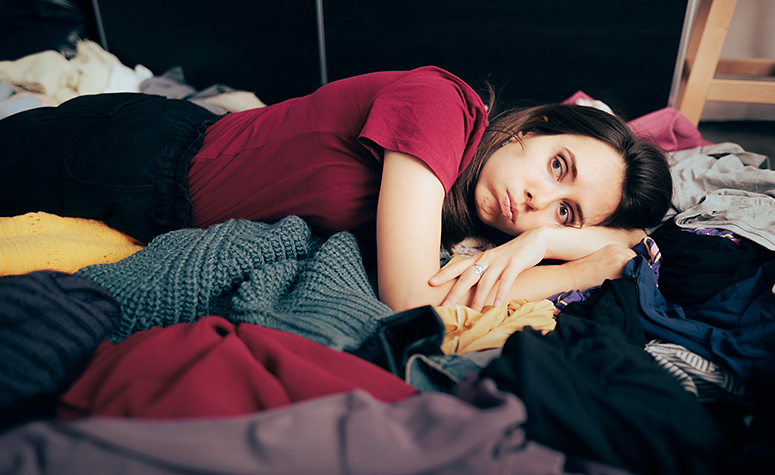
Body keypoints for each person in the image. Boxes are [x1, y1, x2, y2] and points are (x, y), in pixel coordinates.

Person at [0, 66, 672, 313]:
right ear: (536, 126)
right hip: (133, 156)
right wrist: (573, 266)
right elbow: (408, 297)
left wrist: (552, 239)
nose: (534, 203)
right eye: (557, 167)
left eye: (564, 209)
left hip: (155, 190)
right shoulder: (444, 106)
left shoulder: (460, 209)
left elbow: (631, 240)